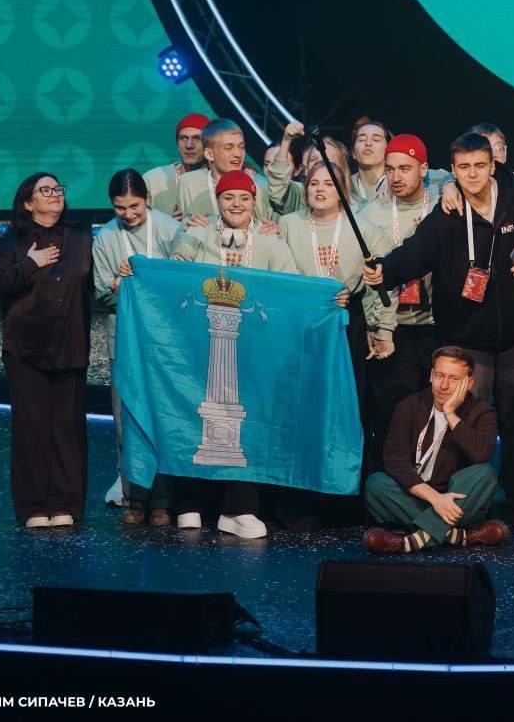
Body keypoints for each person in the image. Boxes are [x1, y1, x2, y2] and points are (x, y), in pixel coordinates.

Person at [363, 133, 514, 516]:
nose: (473, 174)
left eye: (480, 165)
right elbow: (416, 251)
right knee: (461, 421)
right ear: (453, 170)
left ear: (493, 165)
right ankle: (463, 507)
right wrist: (386, 269)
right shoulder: (447, 213)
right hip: (468, 340)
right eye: (464, 168)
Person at [171, 169, 297, 538]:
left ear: (255, 202)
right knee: (191, 419)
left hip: (253, 354)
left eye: (244, 198)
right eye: (228, 198)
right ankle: (189, 503)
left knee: (247, 427)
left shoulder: (270, 242)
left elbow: (292, 289)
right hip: (198, 346)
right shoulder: (198, 232)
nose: (236, 204)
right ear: (218, 202)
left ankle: (238, 509)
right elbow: (173, 271)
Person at [0, 173, 92, 528]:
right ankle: (33, 507)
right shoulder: (13, 242)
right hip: (26, 348)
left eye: (58, 188)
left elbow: (95, 284)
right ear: (28, 203)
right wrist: (30, 264)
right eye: (44, 190)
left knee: (68, 430)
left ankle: (66, 503)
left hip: (70, 346)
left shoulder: (81, 238)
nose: (54, 194)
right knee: (31, 430)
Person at [276, 157, 394, 467]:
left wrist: (378, 327)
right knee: (305, 400)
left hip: (347, 324)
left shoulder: (363, 228)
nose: (320, 189)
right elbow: (277, 273)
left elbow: (382, 283)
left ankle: (347, 479)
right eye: (313, 183)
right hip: (302, 325)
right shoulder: (288, 225)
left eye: (329, 184)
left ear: (342, 190)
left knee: (348, 400)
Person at [92, 169, 183, 526]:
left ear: (147, 200)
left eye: (135, 206)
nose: (128, 214)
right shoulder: (106, 237)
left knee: (164, 418)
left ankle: (163, 500)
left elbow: (181, 286)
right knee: (126, 419)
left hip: (164, 340)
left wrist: (149, 279)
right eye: (120, 208)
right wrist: (119, 285)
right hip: (125, 339)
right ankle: (133, 498)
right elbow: (101, 293)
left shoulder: (170, 230)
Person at [363, 346, 509, 553]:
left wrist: (450, 414)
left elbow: (481, 454)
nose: (444, 385)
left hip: (456, 498)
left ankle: (411, 541)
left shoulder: (482, 412)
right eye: (439, 376)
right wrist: (435, 499)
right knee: (376, 484)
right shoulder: (408, 406)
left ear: (469, 383)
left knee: (484, 474)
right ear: (431, 375)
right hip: (418, 494)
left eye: (454, 379)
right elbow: (395, 461)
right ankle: (457, 536)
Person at [360, 134, 447, 460]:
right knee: (391, 415)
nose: (396, 177)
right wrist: (376, 326)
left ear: (424, 169)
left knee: (438, 413)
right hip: (394, 329)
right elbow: (367, 279)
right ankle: (388, 483)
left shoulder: (443, 207)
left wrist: (449, 186)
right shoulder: (371, 215)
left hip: (438, 327)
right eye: (390, 169)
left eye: (405, 168)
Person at [176, 118, 275, 222]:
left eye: (241, 147)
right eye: (228, 148)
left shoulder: (261, 186)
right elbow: (183, 225)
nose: (238, 154)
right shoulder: (188, 183)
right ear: (209, 154)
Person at [265, 122, 352, 216]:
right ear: (306, 169)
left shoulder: (357, 207)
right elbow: (278, 185)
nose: (319, 164)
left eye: (327, 160)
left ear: (342, 168)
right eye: (313, 160)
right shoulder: (299, 194)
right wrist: (286, 140)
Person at [144, 113, 210, 218]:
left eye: (197, 138)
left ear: (210, 144)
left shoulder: (218, 180)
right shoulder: (152, 180)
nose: (189, 145)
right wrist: (167, 224)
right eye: (183, 138)